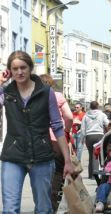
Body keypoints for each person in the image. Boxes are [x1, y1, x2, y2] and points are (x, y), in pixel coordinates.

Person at [0, 51, 74, 213]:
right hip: (13, 155)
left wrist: (67, 160)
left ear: (30, 68)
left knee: (44, 208)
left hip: (42, 156)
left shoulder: (46, 92)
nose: (19, 72)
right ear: (10, 71)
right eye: (15, 68)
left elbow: (57, 126)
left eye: (23, 67)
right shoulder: (6, 92)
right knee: (9, 208)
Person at [39, 74, 74, 212]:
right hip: (57, 140)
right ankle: (52, 206)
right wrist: (66, 130)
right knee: (58, 174)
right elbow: (69, 117)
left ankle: (41, 204)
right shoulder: (57, 96)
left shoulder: (34, 96)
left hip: (40, 140)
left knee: (40, 175)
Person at [80, 101, 110, 179]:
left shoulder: (86, 115)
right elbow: (107, 124)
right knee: (98, 155)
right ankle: (97, 174)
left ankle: (91, 175)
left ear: (90, 106)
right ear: (98, 106)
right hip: (99, 135)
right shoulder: (102, 114)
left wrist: (82, 138)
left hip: (89, 136)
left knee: (91, 155)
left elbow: (83, 128)